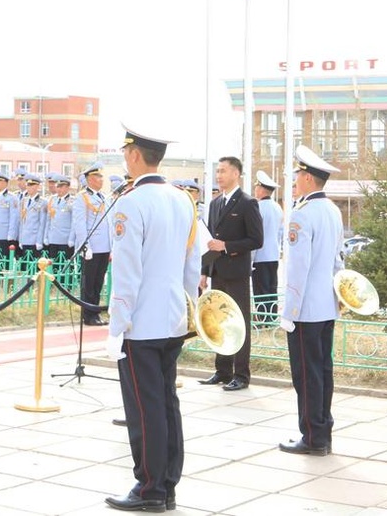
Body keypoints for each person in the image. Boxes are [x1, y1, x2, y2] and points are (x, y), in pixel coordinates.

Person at [105, 126, 201, 513]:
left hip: (140, 324)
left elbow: (126, 275)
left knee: (144, 408)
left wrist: (117, 324)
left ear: (133, 155)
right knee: (166, 403)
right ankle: (167, 483)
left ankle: (149, 489)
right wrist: (188, 306)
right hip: (173, 318)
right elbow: (192, 262)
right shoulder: (183, 199)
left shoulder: (131, 202)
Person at [279, 146, 344, 456]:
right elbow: (338, 260)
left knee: (306, 375)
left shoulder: (302, 214)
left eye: (297, 176)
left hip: (305, 309)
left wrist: (289, 311)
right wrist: (339, 297)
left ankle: (312, 437)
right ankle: (323, 430)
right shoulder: (332, 210)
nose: (295, 182)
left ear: (306, 178)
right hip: (326, 306)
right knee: (323, 371)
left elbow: (297, 268)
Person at [199, 156, 263, 391]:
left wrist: (227, 246)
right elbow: (209, 241)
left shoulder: (247, 203)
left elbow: (256, 239)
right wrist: (204, 272)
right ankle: (222, 370)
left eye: (223, 171)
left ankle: (241, 374)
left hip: (236, 273)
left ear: (236, 173)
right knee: (219, 321)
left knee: (239, 322)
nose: (219, 175)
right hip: (217, 271)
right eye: (217, 171)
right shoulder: (215, 203)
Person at [73, 161, 112, 326]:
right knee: (88, 283)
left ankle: (95, 313)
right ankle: (88, 315)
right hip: (92, 247)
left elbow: (108, 223)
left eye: (101, 176)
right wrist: (85, 245)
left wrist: (112, 247)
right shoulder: (82, 197)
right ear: (89, 178)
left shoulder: (103, 197)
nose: (101, 179)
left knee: (98, 282)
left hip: (104, 247)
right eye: (97, 176)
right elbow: (80, 224)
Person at [251, 170, 283, 324]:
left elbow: (255, 235)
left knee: (261, 289)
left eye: (256, 187)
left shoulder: (257, 208)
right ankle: (272, 316)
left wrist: (250, 260)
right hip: (274, 254)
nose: (255, 190)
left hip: (260, 255)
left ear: (262, 189)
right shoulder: (277, 207)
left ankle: (264, 318)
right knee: (272, 287)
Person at [43, 175, 75, 262]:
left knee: (65, 267)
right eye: (58, 186)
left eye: (62, 187)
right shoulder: (52, 200)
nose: (59, 189)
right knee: (53, 266)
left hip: (65, 240)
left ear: (68, 187)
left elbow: (74, 222)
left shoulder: (72, 201)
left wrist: (71, 239)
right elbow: (48, 220)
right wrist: (46, 236)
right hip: (53, 238)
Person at [17, 173, 46, 260]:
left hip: (35, 240)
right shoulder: (23, 201)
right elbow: (22, 222)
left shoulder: (42, 202)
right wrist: (21, 239)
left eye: (31, 185)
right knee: (25, 267)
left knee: (34, 268)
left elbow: (42, 223)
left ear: (37, 186)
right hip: (25, 239)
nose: (28, 187)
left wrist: (39, 241)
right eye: (28, 185)